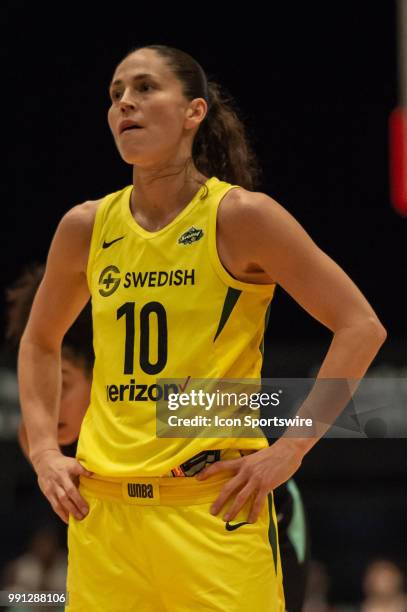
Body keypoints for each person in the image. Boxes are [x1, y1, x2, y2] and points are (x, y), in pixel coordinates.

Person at [17, 44, 386, 611]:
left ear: (194, 111)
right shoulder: (86, 226)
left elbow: (361, 326)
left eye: (144, 88)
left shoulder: (242, 216)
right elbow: (40, 340)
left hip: (212, 513)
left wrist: (292, 449)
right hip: (105, 519)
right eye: (115, 94)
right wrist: (44, 450)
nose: (124, 103)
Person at [7, 263, 309, 610]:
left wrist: (292, 448)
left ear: (100, 375)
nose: (52, 403)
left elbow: (289, 401)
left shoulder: (166, 403)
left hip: (264, 521)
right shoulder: (38, 439)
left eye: (65, 383)